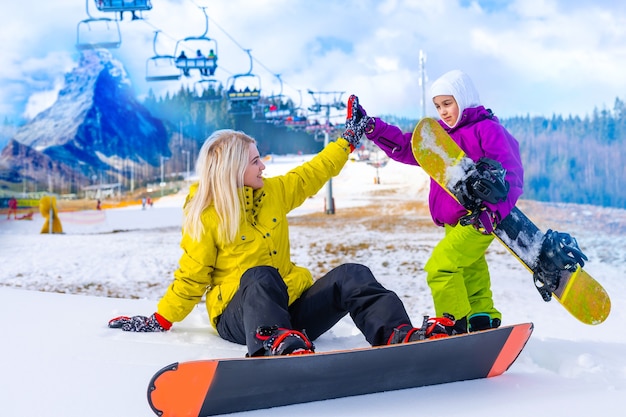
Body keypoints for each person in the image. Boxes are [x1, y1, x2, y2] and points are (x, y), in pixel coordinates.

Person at [108, 97, 458, 357]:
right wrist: (161, 318)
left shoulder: (272, 192)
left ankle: (398, 335)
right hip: (240, 317)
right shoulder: (207, 214)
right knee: (261, 275)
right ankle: (272, 344)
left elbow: (312, 174)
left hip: (291, 312)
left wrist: (347, 141)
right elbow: (192, 275)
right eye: (255, 160)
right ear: (233, 170)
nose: (262, 165)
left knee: (352, 273)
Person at [354, 70, 524, 333]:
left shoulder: (487, 129)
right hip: (454, 221)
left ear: (463, 98)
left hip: (480, 218)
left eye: (448, 103)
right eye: (438, 106)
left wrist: (492, 213)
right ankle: (481, 318)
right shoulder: (440, 136)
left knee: (441, 267)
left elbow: (512, 175)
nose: (443, 112)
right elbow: (407, 147)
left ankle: (452, 322)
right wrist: (373, 128)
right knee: (470, 270)